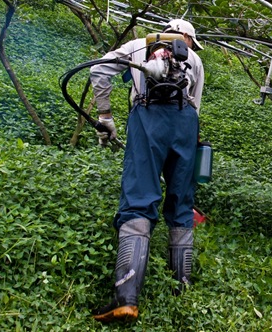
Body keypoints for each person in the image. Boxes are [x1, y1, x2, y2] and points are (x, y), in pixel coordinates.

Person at [89, 19, 204, 323]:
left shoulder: (137, 46)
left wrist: (105, 115)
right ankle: (183, 287)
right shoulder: (195, 59)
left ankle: (125, 298)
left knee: (140, 198)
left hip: (147, 117)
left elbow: (98, 69)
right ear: (188, 39)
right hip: (186, 125)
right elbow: (195, 105)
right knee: (181, 203)